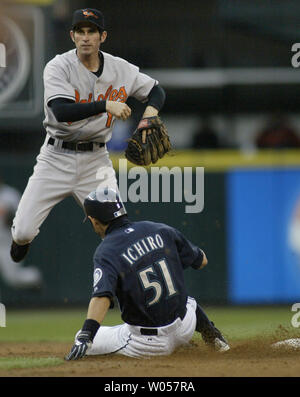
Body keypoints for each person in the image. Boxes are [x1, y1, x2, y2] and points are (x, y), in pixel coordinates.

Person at [10, 8, 166, 263]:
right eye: (80, 31)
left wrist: (148, 116)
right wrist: (106, 104)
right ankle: (20, 240)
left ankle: (118, 288)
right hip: (55, 158)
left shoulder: (121, 69)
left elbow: (157, 91)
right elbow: (61, 111)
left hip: (95, 161)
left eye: (91, 31)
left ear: (102, 37)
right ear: (72, 36)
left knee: (119, 235)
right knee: (24, 231)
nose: (85, 37)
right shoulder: (58, 66)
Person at [65, 187, 230, 360]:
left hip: (148, 344)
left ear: (94, 221)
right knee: (188, 301)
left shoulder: (106, 251)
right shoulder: (160, 229)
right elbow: (202, 261)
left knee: (81, 338)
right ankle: (214, 337)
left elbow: (102, 296)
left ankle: (171, 348)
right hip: (185, 328)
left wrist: (87, 335)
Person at [0, 176, 42, 289]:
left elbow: (21, 219)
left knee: (13, 278)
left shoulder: (10, 195)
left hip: (5, 242)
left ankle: (34, 277)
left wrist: (9, 214)